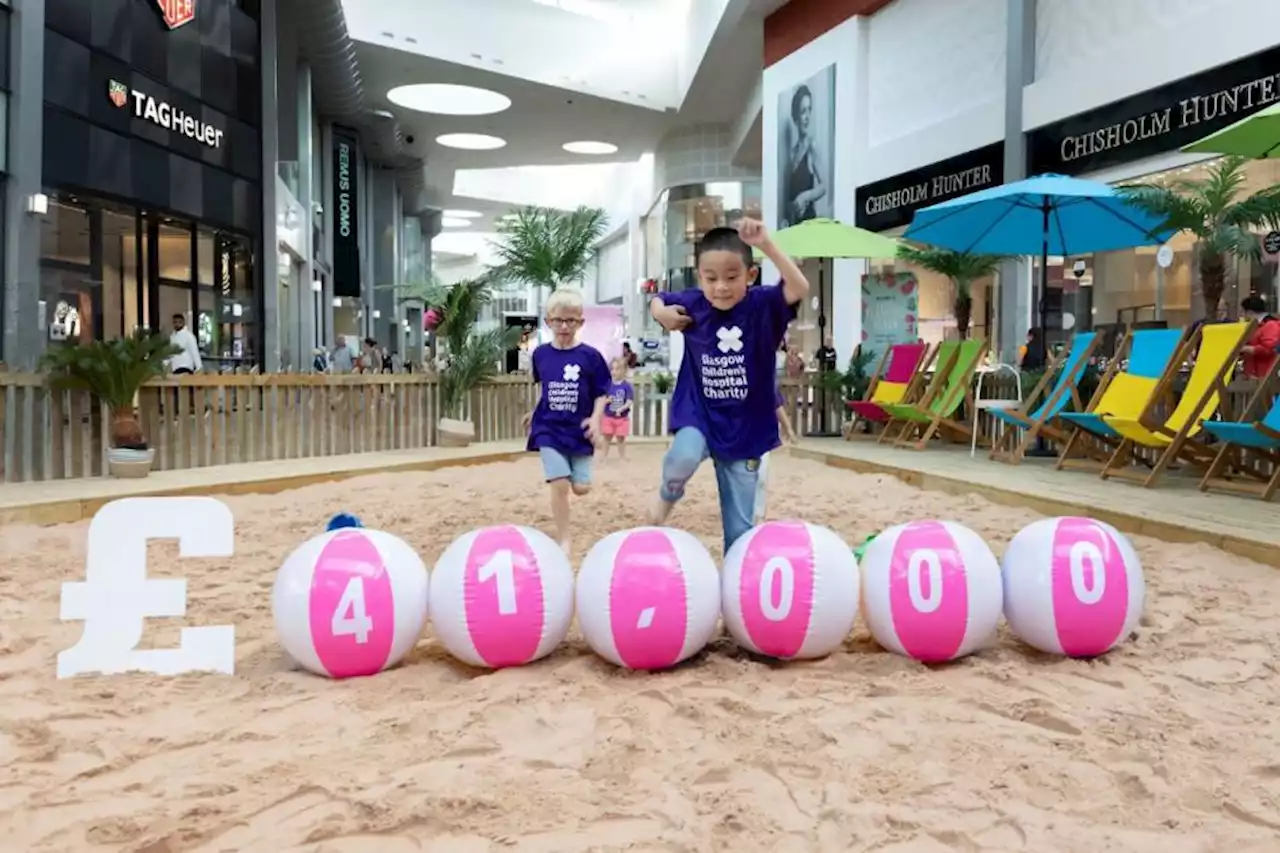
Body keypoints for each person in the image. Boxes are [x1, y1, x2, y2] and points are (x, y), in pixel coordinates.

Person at [648, 218, 810, 553]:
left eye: (732, 277)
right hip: (700, 415)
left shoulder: (763, 305)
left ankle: (734, 594)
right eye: (711, 278)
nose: (721, 286)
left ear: (750, 276)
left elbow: (799, 287)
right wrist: (661, 313)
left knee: (739, 533)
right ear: (699, 276)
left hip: (746, 429)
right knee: (682, 456)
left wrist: (766, 245)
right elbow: (657, 298)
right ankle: (668, 494)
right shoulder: (693, 303)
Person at [521, 288, 611, 556]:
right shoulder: (540, 355)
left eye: (570, 320)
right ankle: (564, 539)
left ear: (580, 323)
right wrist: (534, 411)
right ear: (548, 321)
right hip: (548, 427)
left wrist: (596, 420)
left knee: (580, 488)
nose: (564, 326)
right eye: (558, 320)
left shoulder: (590, 357)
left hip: (578, 430)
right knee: (559, 484)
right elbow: (544, 389)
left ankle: (582, 469)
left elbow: (602, 392)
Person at [783, 85, 827, 227]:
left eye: (809, 110)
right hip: (793, 225)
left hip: (809, 225)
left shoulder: (812, 146)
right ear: (795, 116)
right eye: (803, 111)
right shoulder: (792, 153)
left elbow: (823, 186)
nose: (807, 117)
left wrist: (804, 197)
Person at [600, 357, 634, 460]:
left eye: (617, 369)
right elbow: (601, 400)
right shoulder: (607, 385)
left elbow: (629, 401)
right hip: (608, 417)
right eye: (612, 369)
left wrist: (622, 409)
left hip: (622, 418)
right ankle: (603, 456)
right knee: (606, 438)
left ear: (623, 370)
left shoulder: (627, 386)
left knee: (621, 438)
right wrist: (607, 401)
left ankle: (622, 456)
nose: (614, 372)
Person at [1240, 294, 1280, 379]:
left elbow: (1269, 349)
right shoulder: (1257, 325)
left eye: (1243, 312)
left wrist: (1246, 348)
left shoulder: (1270, 325)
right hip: (1254, 373)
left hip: (1264, 375)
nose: (1243, 316)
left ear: (1250, 312)